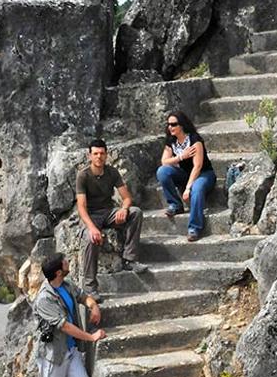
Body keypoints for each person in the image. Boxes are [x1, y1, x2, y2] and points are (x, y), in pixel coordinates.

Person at [33, 252, 104, 377]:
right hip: (53, 356)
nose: (68, 263)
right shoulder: (44, 299)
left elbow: (83, 297)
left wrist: (94, 307)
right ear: (58, 271)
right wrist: (91, 338)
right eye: (65, 262)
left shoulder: (66, 284)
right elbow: (64, 326)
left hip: (70, 349)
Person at [75, 138, 145, 299]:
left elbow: (127, 198)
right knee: (90, 238)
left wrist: (124, 209)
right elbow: (81, 207)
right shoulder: (83, 176)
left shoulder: (112, 172)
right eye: (95, 154)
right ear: (89, 156)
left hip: (108, 211)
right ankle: (90, 287)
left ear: (106, 155)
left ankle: (130, 259)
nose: (99, 157)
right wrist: (92, 228)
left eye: (102, 153)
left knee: (135, 212)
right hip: (91, 215)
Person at [157, 110, 216, 242]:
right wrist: (181, 157)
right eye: (169, 125)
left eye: (174, 124)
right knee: (162, 171)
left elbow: (198, 166)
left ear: (182, 125)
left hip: (204, 174)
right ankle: (175, 204)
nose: (170, 127)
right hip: (185, 174)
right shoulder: (171, 141)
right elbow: (164, 161)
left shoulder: (194, 140)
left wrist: (188, 188)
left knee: (197, 188)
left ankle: (194, 227)